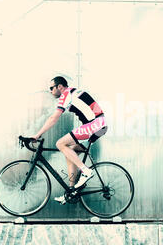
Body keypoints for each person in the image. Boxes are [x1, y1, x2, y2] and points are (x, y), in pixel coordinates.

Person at [31, 76, 107, 204]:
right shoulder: (74, 92)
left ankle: (86, 171)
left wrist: (37, 135)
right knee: (70, 151)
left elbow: (53, 118)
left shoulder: (66, 95)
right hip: (99, 123)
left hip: (95, 124)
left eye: (51, 88)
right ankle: (71, 191)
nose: (50, 91)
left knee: (60, 143)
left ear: (60, 87)